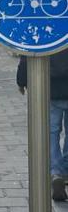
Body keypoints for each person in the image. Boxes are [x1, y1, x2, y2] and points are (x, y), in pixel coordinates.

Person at [18, 51, 68, 200]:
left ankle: (56, 171)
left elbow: (29, 51)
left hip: (50, 86)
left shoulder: (47, 31)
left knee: (51, 132)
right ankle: (65, 168)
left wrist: (21, 80)